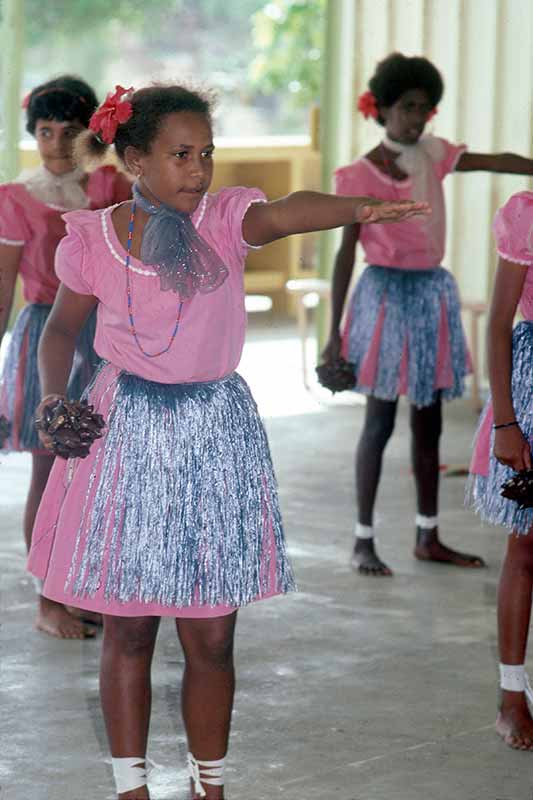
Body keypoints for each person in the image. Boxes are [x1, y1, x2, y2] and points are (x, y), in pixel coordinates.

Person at [27, 82, 427, 800]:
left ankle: (210, 787)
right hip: (126, 436)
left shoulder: (222, 221)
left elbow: (286, 213)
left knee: (211, 636)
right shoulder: (92, 238)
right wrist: (55, 397)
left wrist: (355, 211)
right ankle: (131, 788)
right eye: (180, 155)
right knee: (129, 631)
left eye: (206, 153)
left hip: (214, 432)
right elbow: (60, 331)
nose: (198, 170)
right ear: (134, 159)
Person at [321, 52, 533, 577]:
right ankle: (364, 538)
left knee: (430, 421)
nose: (418, 119)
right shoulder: (358, 174)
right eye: (409, 107)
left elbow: (495, 159)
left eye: (426, 109)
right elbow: (346, 253)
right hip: (384, 296)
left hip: (431, 293)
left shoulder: (435, 154)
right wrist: (334, 334)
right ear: (383, 108)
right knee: (379, 420)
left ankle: (428, 533)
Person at [0, 75, 131, 639]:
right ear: (32, 133)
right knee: (48, 466)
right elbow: (3, 289)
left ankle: (86, 586)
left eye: (69, 131)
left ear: (89, 136)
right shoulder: (15, 199)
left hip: (103, 336)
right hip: (42, 338)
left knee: (101, 468)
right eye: (44, 131)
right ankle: (49, 598)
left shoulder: (108, 189)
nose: (55, 143)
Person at [468, 190, 533, 751]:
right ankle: (512, 697)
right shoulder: (527, 215)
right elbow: (497, 328)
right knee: (527, 548)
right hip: (532, 396)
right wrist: (507, 424)